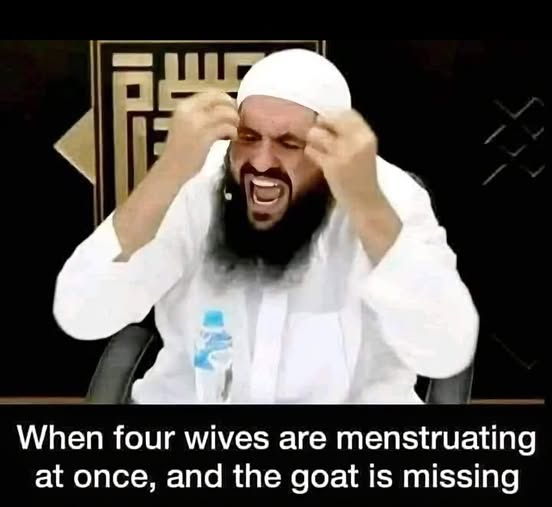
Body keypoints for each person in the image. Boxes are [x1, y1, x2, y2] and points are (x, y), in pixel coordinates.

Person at [53, 48, 479, 404]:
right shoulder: (194, 179)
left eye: (289, 144)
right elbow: (82, 314)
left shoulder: (389, 196)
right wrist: (167, 174)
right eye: (249, 137)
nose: (260, 163)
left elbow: (445, 351)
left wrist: (369, 208)